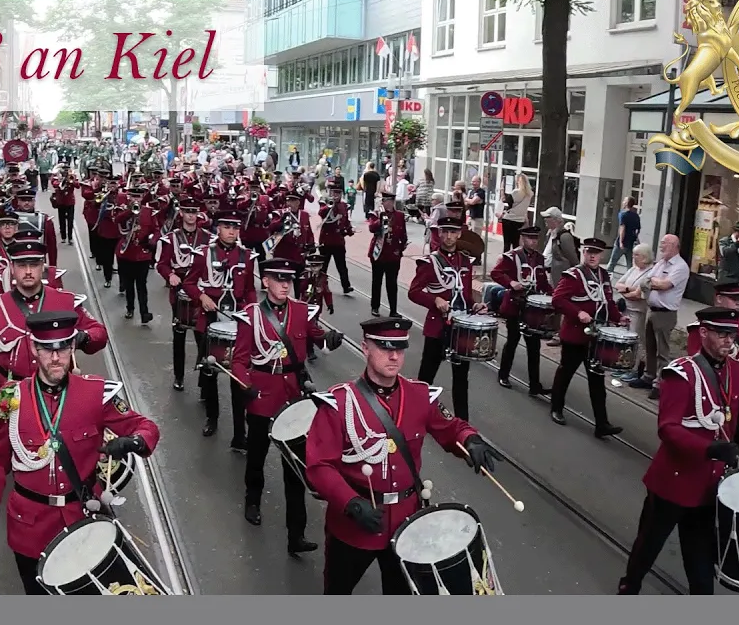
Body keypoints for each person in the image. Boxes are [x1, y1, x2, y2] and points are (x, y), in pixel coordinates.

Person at [304, 316, 502, 595]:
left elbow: (451, 427)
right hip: (355, 522)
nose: (394, 356)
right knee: (338, 592)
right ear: (365, 348)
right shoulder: (339, 403)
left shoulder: (420, 395)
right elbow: (319, 465)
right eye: (385, 347)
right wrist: (351, 503)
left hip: (405, 524)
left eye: (399, 348)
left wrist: (470, 440)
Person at [0, 311, 161, 595]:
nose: (55, 358)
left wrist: (134, 442)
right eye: (46, 349)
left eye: (62, 348)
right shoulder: (11, 398)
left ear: (72, 348)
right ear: (34, 349)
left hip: (83, 519)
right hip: (30, 527)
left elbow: (145, 426)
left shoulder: (95, 392)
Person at [618, 306, 739, 595]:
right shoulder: (681, 374)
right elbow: (668, 429)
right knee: (648, 545)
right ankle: (629, 586)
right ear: (704, 333)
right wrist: (709, 447)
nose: (729, 341)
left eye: (732, 335)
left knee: (700, 563)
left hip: (709, 486)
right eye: (722, 334)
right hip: (673, 482)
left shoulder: (737, 370)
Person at [231, 258, 343, 555]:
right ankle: (252, 500)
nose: (284, 284)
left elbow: (317, 340)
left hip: (293, 396)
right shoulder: (251, 315)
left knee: (295, 467)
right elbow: (239, 360)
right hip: (262, 394)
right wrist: (246, 386)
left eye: (288, 280)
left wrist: (331, 339)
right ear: (265, 281)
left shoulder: (302, 311)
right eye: (278, 279)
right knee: (256, 455)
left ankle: (297, 534)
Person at [0, 240, 108, 393]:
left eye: (34, 265)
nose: (28, 271)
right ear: (12, 269)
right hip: (13, 394)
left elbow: (99, 333)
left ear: (42, 267)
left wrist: (84, 337)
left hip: (61, 393)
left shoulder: (66, 301)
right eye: (22, 265)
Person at [182, 211, 258, 442]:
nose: (232, 231)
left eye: (235, 227)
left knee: (239, 376)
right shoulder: (203, 254)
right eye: (227, 227)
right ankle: (212, 418)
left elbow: (250, 289)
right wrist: (201, 297)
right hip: (211, 320)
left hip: (238, 322)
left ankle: (239, 432)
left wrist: (252, 309)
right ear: (218, 229)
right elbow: (189, 282)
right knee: (210, 373)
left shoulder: (247, 256)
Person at [408, 217, 488, 421]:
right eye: (446, 232)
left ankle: (463, 422)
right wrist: (434, 299)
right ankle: (415, 415)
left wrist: (475, 306)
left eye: (453, 232)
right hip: (437, 327)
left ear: (459, 234)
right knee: (427, 375)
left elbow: (467, 296)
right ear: (440, 234)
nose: (449, 236)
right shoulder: (429, 262)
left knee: (461, 378)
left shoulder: (466, 262)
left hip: (461, 328)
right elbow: (414, 292)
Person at [549, 238, 629, 435]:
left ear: (602, 255)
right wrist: (578, 313)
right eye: (589, 251)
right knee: (565, 373)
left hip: (596, 338)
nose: (592, 256)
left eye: (597, 252)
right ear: (583, 252)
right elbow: (558, 300)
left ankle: (602, 424)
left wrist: (619, 318)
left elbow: (608, 302)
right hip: (575, 335)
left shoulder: (603, 275)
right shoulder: (573, 275)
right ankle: (556, 408)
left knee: (597, 380)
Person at [157, 199, 212, 391]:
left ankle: (205, 379)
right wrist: (170, 275)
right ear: (181, 213)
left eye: (194, 212)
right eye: (187, 211)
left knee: (204, 337)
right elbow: (162, 264)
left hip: (200, 291)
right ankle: (179, 376)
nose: (190, 215)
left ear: (198, 214)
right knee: (179, 337)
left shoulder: (208, 238)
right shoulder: (172, 238)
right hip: (179, 291)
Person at [489, 225, 551, 395]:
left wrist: (553, 295)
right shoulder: (511, 256)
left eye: (535, 238)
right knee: (512, 341)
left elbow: (543, 281)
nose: (533, 241)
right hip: (516, 305)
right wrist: (511, 283)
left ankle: (534, 384)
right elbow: (495, 273)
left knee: (534, 346)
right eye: (530, 238)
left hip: (533, 309)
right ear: (523, 239)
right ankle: (503, 374)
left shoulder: (539, 258)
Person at [639, 234, 690, 400]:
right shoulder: (662, 263)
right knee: (650, 347)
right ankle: (649, 376)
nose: (661, 247)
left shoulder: (681, 267)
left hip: (665, 314)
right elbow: (645, 279)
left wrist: (654, 283)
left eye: (664, 244)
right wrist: (655, 282)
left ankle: (660, 384)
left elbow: (665, 285)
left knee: (662, 351)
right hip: (652, 310)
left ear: (675, 245)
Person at [681, 277, 739, 364]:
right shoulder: (704, 325)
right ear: (719, 299)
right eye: (734, 298)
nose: (738, 303)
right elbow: (695, 362)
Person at [112, 186, 158, 324]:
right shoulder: (122, 209)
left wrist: (152, 242)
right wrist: (129, 212)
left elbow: (156, 230)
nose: (136, 199)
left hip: (142, 254)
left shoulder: (149, 212)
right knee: (129, 283)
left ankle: (144, 312)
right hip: (126, 254)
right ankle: (130, 308)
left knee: (141, 285)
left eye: (138, 197)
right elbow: (117, 220)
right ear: (128, 197)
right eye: (133, 196)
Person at [613, 244, 654, 383]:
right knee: (624, 339)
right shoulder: (633, 269)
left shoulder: (650, 272)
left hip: (638, 311)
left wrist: (626, 292)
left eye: (637, 255)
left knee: (636, 340)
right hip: (626, 309)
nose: (633, 257)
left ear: (645, 257)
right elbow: (618, 284)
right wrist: (628, 289)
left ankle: (634, 369)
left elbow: (639, 295)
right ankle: (623, 365)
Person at [367, 192, 408, 318]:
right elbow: (372, 228)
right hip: (379, 253)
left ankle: (393, 309)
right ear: (382, 202)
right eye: (386, 201)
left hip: (393, 255)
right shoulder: (376, 214)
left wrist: (401, 248)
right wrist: (381, 219)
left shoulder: (400, 215)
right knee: (377, 281)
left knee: (392, 283)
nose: (388, 203)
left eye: (390, 201)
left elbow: (403, 235)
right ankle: (375, 307)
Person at [316, 178, 356, 294]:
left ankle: (346, 286)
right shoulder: (325, 203)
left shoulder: (343, 206)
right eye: (334, 193)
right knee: (323, 266)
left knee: (342, 266)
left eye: (338, 193)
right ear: (330, 193)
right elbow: (321, 213)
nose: (336, 195)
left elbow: (345, 221)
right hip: (326, 240)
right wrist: (330, 206)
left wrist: (349, 230)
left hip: (338, 241)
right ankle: (320, 285)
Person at [11, 187, 60, 267]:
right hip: (16, 262)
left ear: (34, 201)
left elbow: (52, 247)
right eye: (23, 200)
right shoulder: (10, 219)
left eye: (30, 200)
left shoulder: (45, 220)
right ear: (18, 201)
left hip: (38, 263)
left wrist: (53, 267)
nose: (27, 203)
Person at [540, 207, 581, 287]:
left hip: (560, 276)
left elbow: (573, 259)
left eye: (548, 217)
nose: (545, 220)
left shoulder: (564, 236)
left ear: (556, 220)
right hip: (549, 273)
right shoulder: (550, 234)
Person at [499, 174, 533, 251]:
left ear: (518, 181)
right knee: (516, 242)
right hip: (519, 220)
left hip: (509, 219)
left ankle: (506, 260)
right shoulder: (530, 194)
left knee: (507, 243)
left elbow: (505, 200)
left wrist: (501, 189)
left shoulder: (516, 192)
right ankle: (516, 259)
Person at [607, 196, 641, 273]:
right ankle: (629, 279)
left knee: (612, 262)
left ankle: (607, 277)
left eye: (624, 201)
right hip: (630, 243)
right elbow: (638, 230)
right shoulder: (636, 216)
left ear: (626, 203)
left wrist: (621, 242)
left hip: (621, 243)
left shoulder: (623, 214)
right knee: (629, 264)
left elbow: (622, 228)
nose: (623, 202)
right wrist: (634, 237)